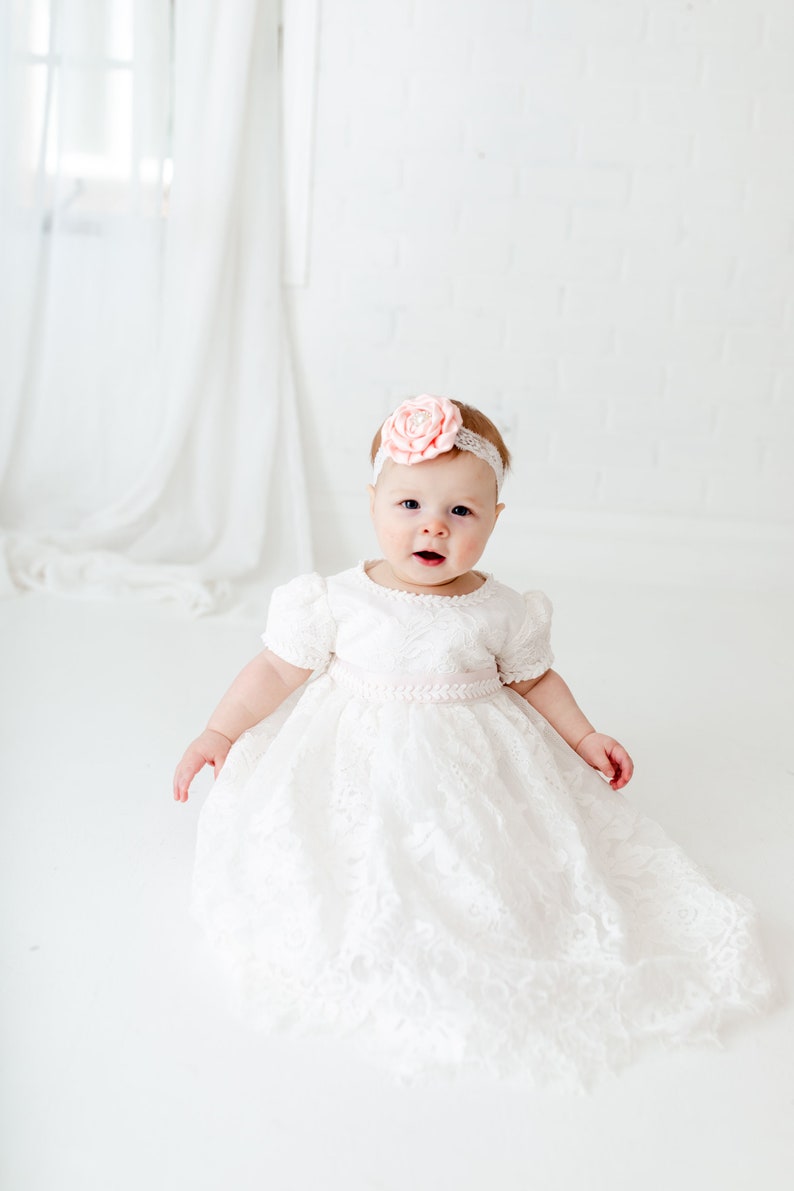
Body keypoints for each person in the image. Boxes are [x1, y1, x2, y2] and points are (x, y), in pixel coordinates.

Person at [174, 394, 774, 1090]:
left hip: (471, 765)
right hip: (357, 758)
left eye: (461, 511)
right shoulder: (339, 599)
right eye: (409, 506)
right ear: (372, 503)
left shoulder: (498, 607)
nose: (434, 525)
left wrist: (583, 734)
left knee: (489, 858)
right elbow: (278, 667)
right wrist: (221, 729)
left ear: (493, 519)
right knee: (355, 850)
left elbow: (533, 679)